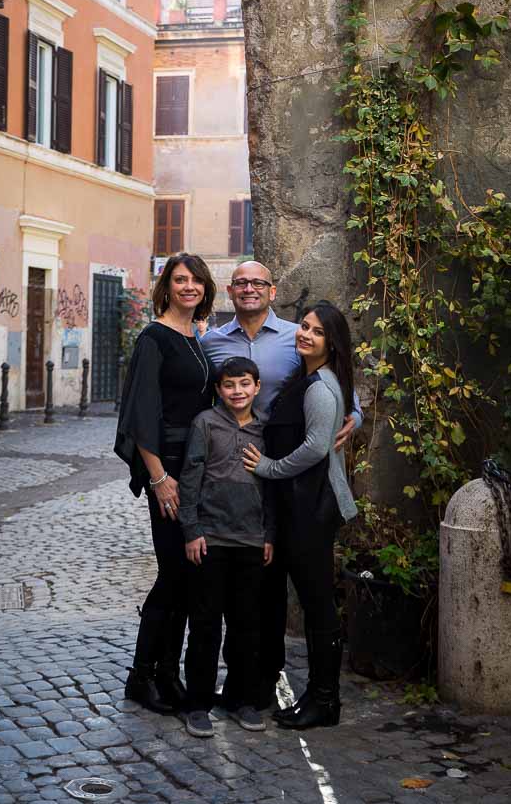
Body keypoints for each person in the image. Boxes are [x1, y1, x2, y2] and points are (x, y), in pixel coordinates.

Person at [202, 261, 362, 706]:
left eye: (258, 282)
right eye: (241, 282)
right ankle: (253, 681)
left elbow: (342, 398)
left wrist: (353, 420)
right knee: (257, 588)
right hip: (243, 481)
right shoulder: (212, 342)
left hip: (293, 482)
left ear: (273, 291)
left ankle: (319, 694)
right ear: (230, 291)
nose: (249, 288)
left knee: (310, 596)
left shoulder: (298, 341)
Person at [243, 300, 358, 730]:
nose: (305, 335)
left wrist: (269, 468)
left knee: (317, 604)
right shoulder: (305, 377)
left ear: (333, 343)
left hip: (312, 504)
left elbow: (314, 448)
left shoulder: (321, 386)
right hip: (297, 503)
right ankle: (312, 694)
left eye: (316, 331)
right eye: (304, 327)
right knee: (309, 602)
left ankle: (325, 700)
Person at [114, 252, 215, 714]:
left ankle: (168, 674)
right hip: (169, 468)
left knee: (189, 576)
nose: (188, 286)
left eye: (195, 279)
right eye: (179, 279)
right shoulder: (154, 338)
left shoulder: (197, 335)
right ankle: (141, 676)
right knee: (172, 571)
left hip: (197, 468)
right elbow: (141, 414)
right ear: (167, 287)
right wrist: (159, 479)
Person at [178, 357, 275, 738]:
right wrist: (191, 530)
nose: (238, 391)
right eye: (230, 385)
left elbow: (273, 488)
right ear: (219, 389)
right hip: (210, 539)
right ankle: (198, 703)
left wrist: (269, 534)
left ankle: (242, 699)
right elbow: (190, 477)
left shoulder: (266, 431)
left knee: (247, 624)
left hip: (251, 540)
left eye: (245, 384)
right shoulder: (206, 423)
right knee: (205, 624)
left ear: (257, 387)